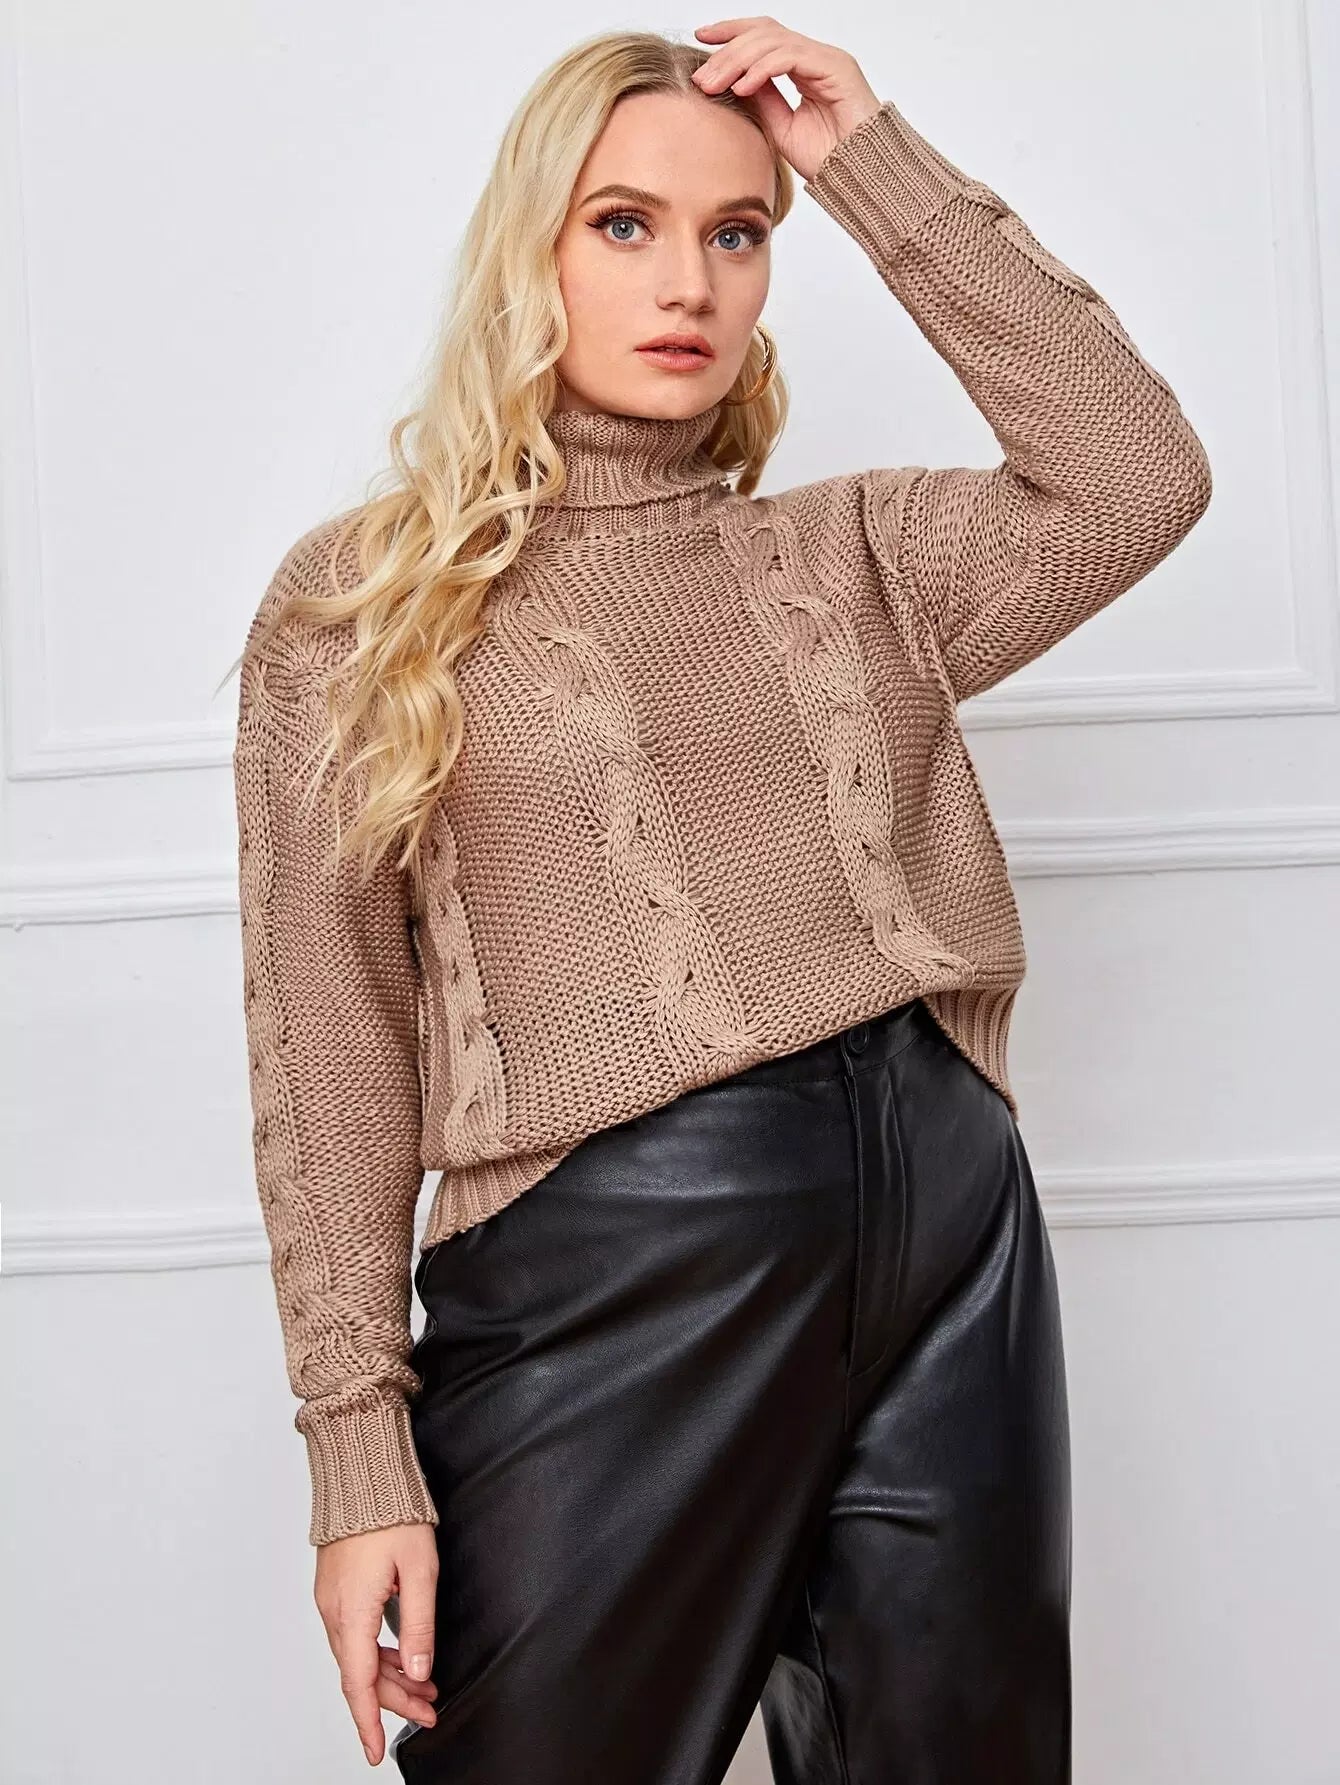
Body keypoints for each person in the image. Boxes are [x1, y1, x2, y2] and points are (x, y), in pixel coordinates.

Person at [229, 18, 1212, 1784]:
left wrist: (870, 160)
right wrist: (357, 1451)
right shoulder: (361, 605)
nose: (688, 281)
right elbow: (330, 1039)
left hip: (949, 1229)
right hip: (612, 1270)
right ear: (530, 247)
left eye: (739, 231)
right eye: (624, 223)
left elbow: (1135, 471)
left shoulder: (861, 556)